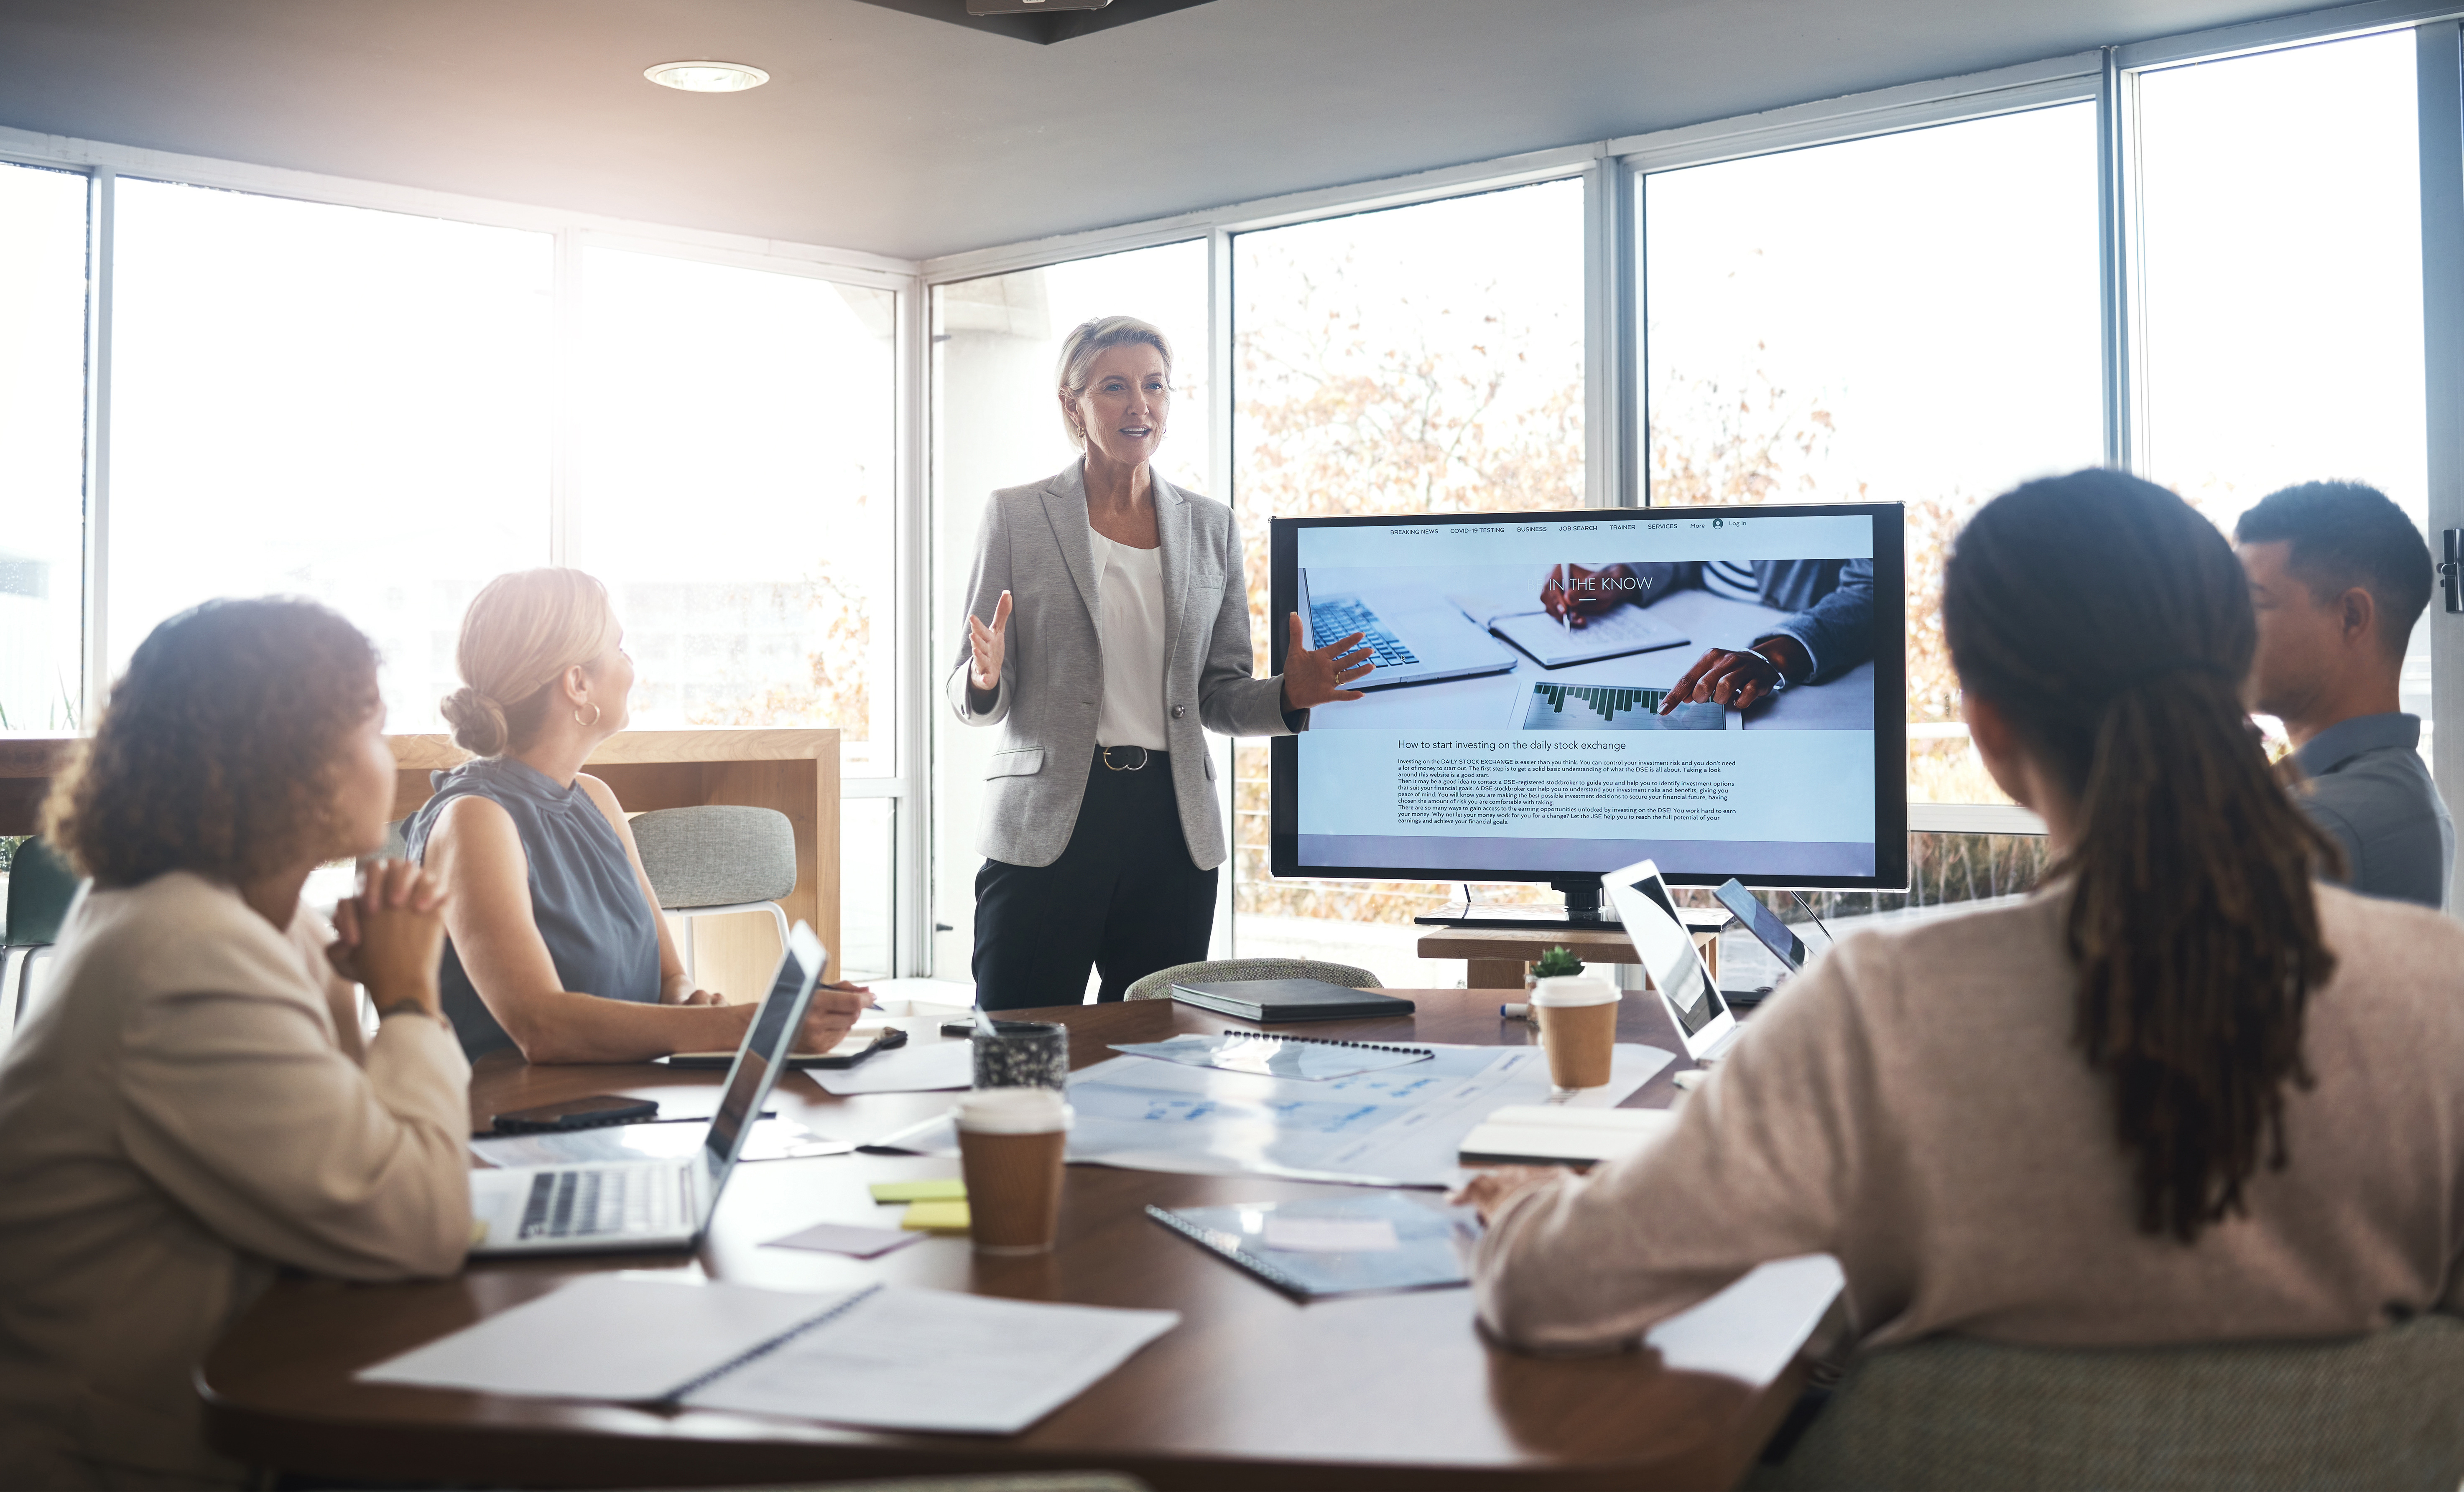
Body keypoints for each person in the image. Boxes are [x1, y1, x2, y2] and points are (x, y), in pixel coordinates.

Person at [1464, 469, 2464, 1357]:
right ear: (2228, 675)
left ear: (1984, 727)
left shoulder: (1885, 1010)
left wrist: (1526, 1208)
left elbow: (1550, 1296)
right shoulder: (2441, 992)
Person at [0, 598, 472, 1489]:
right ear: (292, 763)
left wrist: (368, 988)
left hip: (238, 1390)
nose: (392, 750)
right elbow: (417, 1223)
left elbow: (349, 1153)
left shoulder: (247, 918)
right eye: (372, 722)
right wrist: (409, 997)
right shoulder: (183, 951)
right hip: (115, 1457)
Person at [954, 315, 1371, 1009]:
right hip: (1049, 818)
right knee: (1017, 1042)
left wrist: (1287, 695)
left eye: (1153, 385)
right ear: (1072, 404)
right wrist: (985, 675)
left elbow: (1218, 693)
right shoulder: (1016, 516)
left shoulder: (1210, 527)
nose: (1137, 404)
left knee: (1155, 1054)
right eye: (1113, 387)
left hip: (1170, 826)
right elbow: (966, 681)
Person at [403, 568, 866, 1062]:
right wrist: (753, 1025)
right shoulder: (475, 819)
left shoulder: (597, 800)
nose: (631, 667)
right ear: (577, 684)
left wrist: (689, 1001)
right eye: (619, 648)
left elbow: (669, 975)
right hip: (513, 1122)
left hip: (621, 1105)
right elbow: (541, 1026)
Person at [2235, 481, 2452, 909]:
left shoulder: (2323, 825)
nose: (2227, 627)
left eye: (2252, 604)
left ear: (2350, 618)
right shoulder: (2390, 787)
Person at [1537, 556, 1875, 714]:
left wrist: (1778, 653)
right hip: (1691, 619)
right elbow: (1687, 553)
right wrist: (1621, 578)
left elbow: (1872, 588)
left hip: (1817, 670)